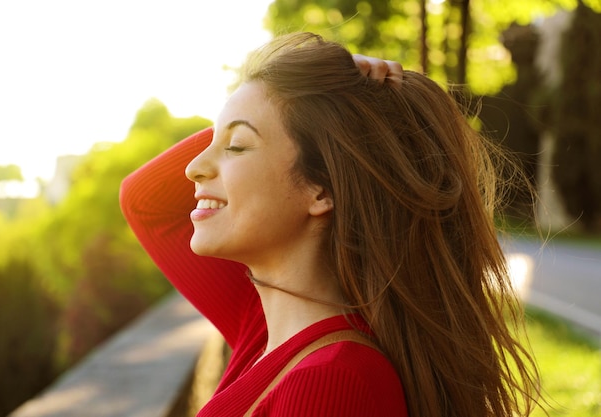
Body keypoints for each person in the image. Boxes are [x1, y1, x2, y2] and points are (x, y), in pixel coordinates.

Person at [120, 32, 541, 417]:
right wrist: (313, 96)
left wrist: (323, 109)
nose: (193, 167)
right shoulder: (265, 327)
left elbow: (147, 204)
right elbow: (144, 201)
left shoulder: (330, 381)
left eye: (236, 146)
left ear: (322, 190)